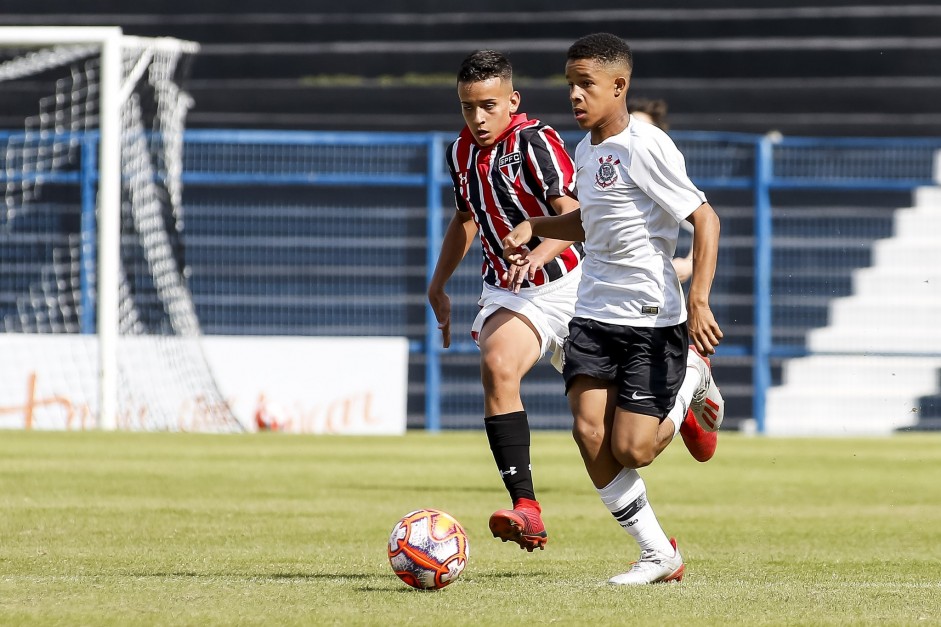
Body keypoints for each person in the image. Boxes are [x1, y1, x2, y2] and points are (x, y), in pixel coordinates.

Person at [502, 33, 724, 584]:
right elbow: (588, 222)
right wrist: (536, 228)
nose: (575, 95)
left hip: (651, 320)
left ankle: (693, 377)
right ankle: (657, 553)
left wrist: (698, 300)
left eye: (586, 84)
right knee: (588, 433)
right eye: (570, 84)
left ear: (619, 87)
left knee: (634, 449)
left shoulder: (646, 145)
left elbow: (705, 219)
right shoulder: (587, 150)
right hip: (593, 315)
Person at [427, 49, 584, 552]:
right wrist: (438, 283)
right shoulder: (458, 152)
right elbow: (466, 218)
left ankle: (687, 388)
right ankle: (527, 508)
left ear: (512, 101)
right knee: (497, 364)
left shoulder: (536, 141)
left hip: (573, 285)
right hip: (510, 289)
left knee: (611, 437)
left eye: (488, 106)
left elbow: (576, 217)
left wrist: (538, 254)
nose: (477, 118)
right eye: (468, 107)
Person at [630, 98, 694, 282]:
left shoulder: (662, 175)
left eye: (644, 128)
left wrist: (689, 263)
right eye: (632, 126)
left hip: (651, 289)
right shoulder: (602, 168)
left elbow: (704, 221)